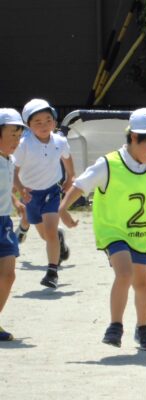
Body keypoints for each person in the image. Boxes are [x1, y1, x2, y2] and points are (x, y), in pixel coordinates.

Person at [58, 107, 146, 351]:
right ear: (134, 137)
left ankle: (143, 328)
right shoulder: (109, 164)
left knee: (143, 282)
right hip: (113, 231)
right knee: (125, 272)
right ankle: (115, 325)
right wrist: (63, 208)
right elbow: (81, 184)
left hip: (141, 233)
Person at [13, 99, 74, 289]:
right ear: (28, 126)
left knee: (49, 232)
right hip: (30, 194)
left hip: (52, 190)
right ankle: (59, 238)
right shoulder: (23, 144)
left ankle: (52, 272)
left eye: (48, 120)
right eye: (37, 122)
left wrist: (70, 176)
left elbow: (67, 157)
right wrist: (21, 188)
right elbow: (13, 171)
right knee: (45, 235)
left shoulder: (59, 140)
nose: (44, 125)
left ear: (55, 122)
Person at [0, 109, 26, 341]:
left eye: (19, 136)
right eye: (12, 135)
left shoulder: (10, 159)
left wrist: (16, 201)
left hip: (4, 222)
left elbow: (5, 189)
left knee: (8, 275)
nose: (16, 141)